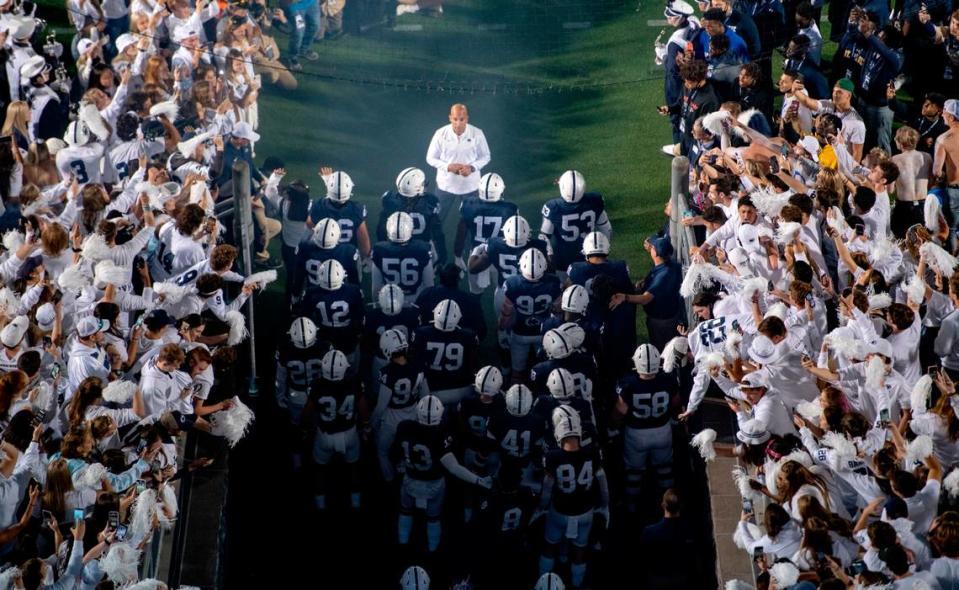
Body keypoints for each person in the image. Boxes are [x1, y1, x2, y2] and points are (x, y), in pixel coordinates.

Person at [425, 104, 491, 233]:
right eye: (455, 119)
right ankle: (432, 249)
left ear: (467, 118)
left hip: (471, 187)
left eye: (462, 119)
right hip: (445, 186)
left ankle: (472, 252)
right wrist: (447, 167)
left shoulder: (477, 133)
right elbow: (430, 158)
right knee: (435, 220)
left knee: (473, 223)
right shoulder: (440, 134)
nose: (458, 123)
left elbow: (486, 156)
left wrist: (472, 168)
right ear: (450, 118)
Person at [638, 489, 693, 589]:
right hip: (681, 580)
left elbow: (643, 559)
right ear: (681, 506)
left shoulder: (649, 532)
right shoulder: (689, 531)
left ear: (663, 505)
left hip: (657, 580)